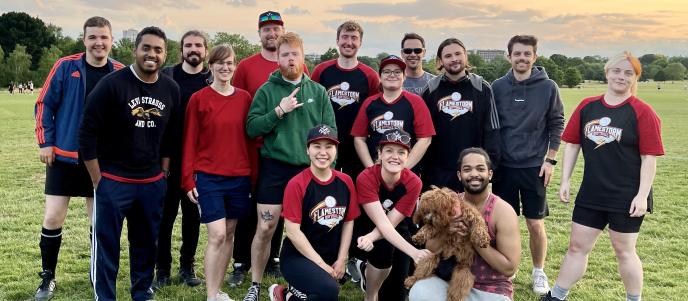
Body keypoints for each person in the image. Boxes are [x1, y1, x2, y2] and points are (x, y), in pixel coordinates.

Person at [541, 52, 664, 301]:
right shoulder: (588, 106)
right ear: (607, 73)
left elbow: (649, 158)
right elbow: (573, 144)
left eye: (628, 73)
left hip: (627, 194)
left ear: (635, 78)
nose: (621, 76)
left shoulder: (642, 111)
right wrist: (565, 180)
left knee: (624, 251)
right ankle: (556, 295)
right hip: (592, 192)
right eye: (616, 71)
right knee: (577, 247)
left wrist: (641, 196)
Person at [79, 26, 180, 301]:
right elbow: (87, 132)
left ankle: (142, 293)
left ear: (165, 54)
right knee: (107, 246)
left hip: (150, 183)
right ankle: (105, 296)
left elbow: (172, 136)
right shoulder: (111, 85)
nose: (151, 54)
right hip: (114, 181)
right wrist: (98, 180)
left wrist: (164, 172)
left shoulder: (171, 89)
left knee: (146, 245)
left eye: (158, 50)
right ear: (135, 50)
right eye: (146, 48)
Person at [32, 16, 123, 301]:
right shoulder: (65, 66)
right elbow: (44, 104)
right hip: (65, 157)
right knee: (53, 217)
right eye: (93, 37)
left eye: (104, 37)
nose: (99, 42)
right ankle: (47, 277)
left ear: (111, 40)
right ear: (84, 40)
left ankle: (97, 273)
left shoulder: (119, 71)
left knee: (100, 221)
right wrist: (45, 143)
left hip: (101, 160)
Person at [243, 32, 336, 301]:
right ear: (278, 59)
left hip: (309, 172)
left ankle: (298, 284)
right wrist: (278, 111)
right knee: (265, 228)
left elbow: (330, 134)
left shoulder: (317, 92)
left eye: (295, 53)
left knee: (306, 230)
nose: (290, 59)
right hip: (275, 169)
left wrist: (328, 170)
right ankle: (255, 284)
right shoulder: (267, 90)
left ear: (303, 56)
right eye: (285, 54)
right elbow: (251, 128)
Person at [229, 10, 310, 286]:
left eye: (276, 28)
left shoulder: (296, 64)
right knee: (252, 206)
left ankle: (272, 259)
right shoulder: (246, 66)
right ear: (260, 33)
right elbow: (236, 104)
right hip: (255, 147)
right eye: (267, 29)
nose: (272, 33)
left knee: (277, 210)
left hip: (285, 149)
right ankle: (240, 262)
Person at [490, 35, 565, 295]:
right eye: (517, 53)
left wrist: (550, 159)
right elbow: (491, 125)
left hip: (534, 167)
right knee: (502, 224)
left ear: (535, 57)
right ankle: (504, 270)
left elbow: (557, 123)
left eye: (527, 54)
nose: (522, 58)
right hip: (503, 168)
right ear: (508, 56)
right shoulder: (497, 86)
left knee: (535, 223)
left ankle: (538, 271)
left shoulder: (548, 87)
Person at [182, 44, 253, 301]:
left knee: (230, 232)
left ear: (235, 66)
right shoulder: (199, 99)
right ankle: (211, 295)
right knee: (218, 234)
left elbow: (251, 139)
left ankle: (218, 289)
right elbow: (189, 140)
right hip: (209, 176)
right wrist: (188, 178)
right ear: (210, 66)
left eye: (230, 63)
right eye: (220, 63)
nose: (225, 67)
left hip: (239, 176)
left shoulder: (245, 98)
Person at [409, 147, 521, 301]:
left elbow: (509, 268)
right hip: (448, 281)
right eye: (467, 169)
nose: (474, 174)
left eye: (480, 169)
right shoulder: (448, 204)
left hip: (491, 289)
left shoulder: (503, 211)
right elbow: (430, 247)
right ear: (459, 175)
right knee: (419, 292)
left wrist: (473, 238)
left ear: (490, 174)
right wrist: (446, 232)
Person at [268, 124, 359, 301]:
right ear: (307, 150)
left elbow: (349, 221)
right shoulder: (297, 184)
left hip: (330, 255)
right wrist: (322, 266)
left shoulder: (346, 181)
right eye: (317, 146)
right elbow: (293, 232)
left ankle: (285, 295)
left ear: (336, 150)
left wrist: (341, 259)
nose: (323, 152)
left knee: (324, 293)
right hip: (297, 256)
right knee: (329, 291)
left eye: (329, 146)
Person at [154, 29, 210, 289]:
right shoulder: (167, 77)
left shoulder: (210, 81)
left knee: (191, 218)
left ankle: (187, 267)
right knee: (164, 218)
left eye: (198, 45)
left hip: (197, 164)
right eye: (188, 45)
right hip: (166, 161)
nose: (193, 49)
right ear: (181, 51)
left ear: (206, 51)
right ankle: (162, 269)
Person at [350, 129, 433, 301]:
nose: (395, 156)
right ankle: (370, 294)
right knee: (383, 250)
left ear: (407, 156)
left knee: (397, 295)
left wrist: (372, 237)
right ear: (379, 154)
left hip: (394, 226)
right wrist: (415, 253)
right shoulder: (366, 177)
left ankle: (369, 272)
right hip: (362, 227)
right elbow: (382, 224)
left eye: (401, 152)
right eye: (389, 150)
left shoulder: (414, 182)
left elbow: (391, 223)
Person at [421, 38, 500, 192]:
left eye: (458, 54)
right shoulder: (431, 89)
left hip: (472, 171)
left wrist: (490, 166)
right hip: (438, 173)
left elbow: (493, 130)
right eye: (448, 56)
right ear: (441, 61)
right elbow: (422, 133)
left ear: (465, 56)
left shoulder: (482, 87)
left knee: (471, 216)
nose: (454, 59)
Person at [311, 20, 380, 177]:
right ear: (337, 40)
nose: (349, 42)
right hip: (325, 141)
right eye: (345, 37)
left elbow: (375, 111)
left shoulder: (370, 75)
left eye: (354, 38)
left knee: (355, 191)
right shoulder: (321, 71)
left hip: (357, 144)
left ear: (360, 42)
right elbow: (312, 106)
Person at [351, 55, 435, 171]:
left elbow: (425, 139)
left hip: (405, 171)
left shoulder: (416, 101)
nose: (392, 75)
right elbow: (359, 138)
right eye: (387, 71)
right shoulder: (370, 103)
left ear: (404, 76)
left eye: (397, 72)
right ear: (380, 77)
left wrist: (403, 169)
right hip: (376, 170)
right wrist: (371, 169)